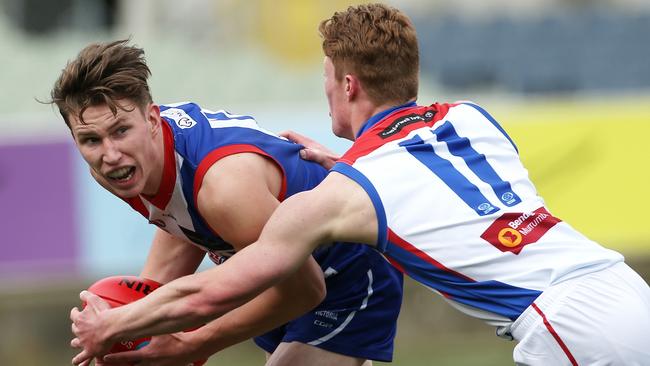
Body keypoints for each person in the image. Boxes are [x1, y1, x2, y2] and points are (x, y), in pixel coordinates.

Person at [70, 3, 650, 366]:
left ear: (346, 86)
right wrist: (347, 168)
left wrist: (112, 326)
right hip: (622, 288)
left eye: (325, 79)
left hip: (566, 327)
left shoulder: (349, 190)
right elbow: (417, 166)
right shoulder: (472, 119)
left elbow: (213, 294)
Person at [54, 39, 404, 366]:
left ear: (150, 119)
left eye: (120, 131)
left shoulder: (222, 186)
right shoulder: (137, 165)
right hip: (280, 274)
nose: (110, 154)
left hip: (347, 273)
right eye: (90, 140)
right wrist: (131, 327)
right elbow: (178, 241)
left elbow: (305, 288)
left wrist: (192, 345)